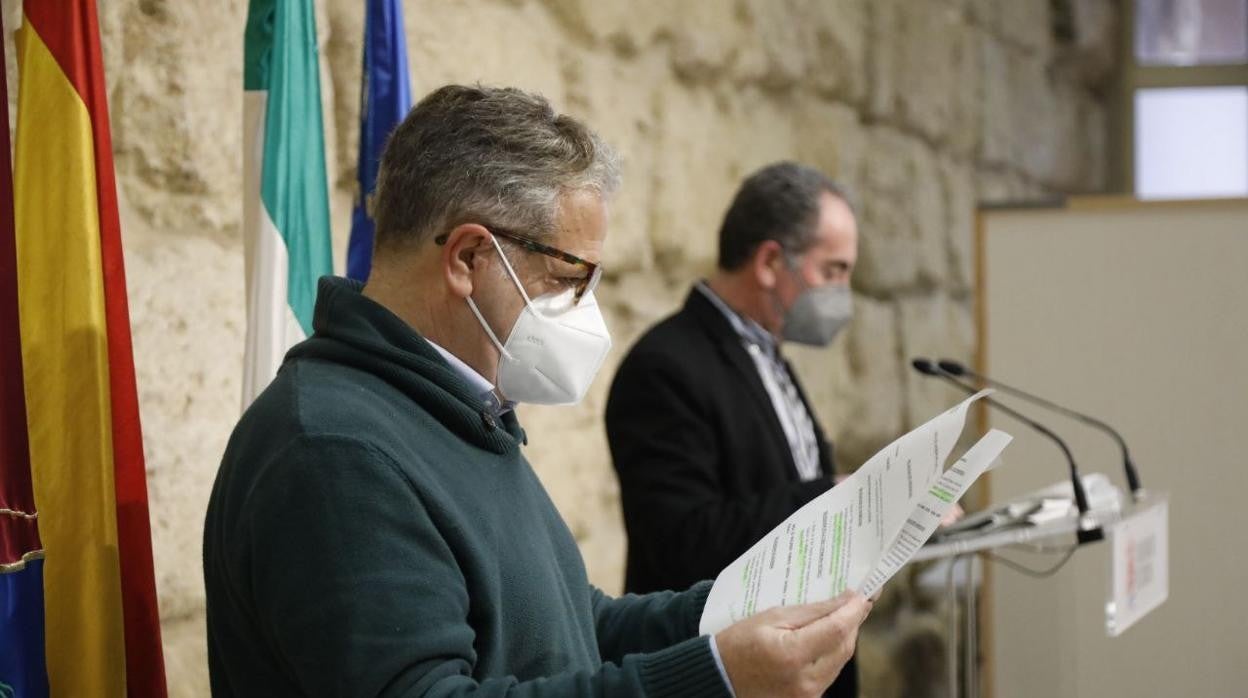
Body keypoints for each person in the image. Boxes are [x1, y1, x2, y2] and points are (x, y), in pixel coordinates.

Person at [203, 86, 869, 698]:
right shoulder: (336, 449)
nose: (585, 310)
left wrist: (751, 602)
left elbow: (574, 626)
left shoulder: (459, 412)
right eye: (568, 277)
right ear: (468, 258)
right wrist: (714, 678)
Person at [605, 162, 862, 695]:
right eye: (833, 271)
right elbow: (682, 541)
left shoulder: (769, 355)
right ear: (771, 262)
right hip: (722, 672)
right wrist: (832, 500)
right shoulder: (667, 364)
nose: (844, 293)